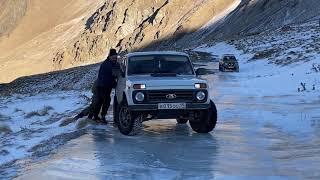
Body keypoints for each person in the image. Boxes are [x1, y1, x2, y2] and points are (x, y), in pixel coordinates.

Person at [74, 49, 120, 123]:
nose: (115, 59)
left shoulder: (115, 64)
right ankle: (82, 116)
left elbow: (117, 74)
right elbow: (109, 78)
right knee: (97, 103)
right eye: (113, 57)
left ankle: (96, 117)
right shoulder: (106, 65)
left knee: (104, 102)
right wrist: (115, 84)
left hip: (106, 87)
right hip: (100, 87)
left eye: (116, 57)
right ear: (110, 57)